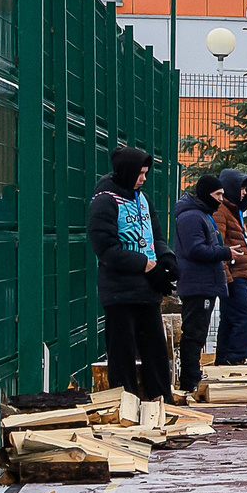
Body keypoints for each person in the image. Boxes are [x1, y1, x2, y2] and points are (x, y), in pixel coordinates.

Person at [87, 147, 171, 400]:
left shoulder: (142, 198)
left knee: (155, 350)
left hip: (147, 289)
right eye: (139, 174)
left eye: (145, 173)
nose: (143, 179)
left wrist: (167, 258)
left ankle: (161, 399)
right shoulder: (105, 201)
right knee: (122, 352)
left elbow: (156, 235)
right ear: (126, 172)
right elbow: (106, 249)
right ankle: (125, 402)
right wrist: (145, 264)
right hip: (120, 291)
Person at [173, 172, 232, 394]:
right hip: (198, 283)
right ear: (207, 194)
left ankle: (192, 375)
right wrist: (225, 252)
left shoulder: (202, 215)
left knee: (198, 331)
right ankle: (189, 379)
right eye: (218, 194)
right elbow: (195, 249)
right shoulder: (192, 217)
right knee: (194, 333)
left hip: (204, 283)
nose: (221, 199)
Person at [213, 169, 247, 367]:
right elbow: (219, 244)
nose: (243, 193)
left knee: (230, 320)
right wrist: (226, 278)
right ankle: (236, 357)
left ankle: (223, 360)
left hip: (238, 274)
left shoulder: (234, 211)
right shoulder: (221, 211)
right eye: (241, 188)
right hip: (232, 276)